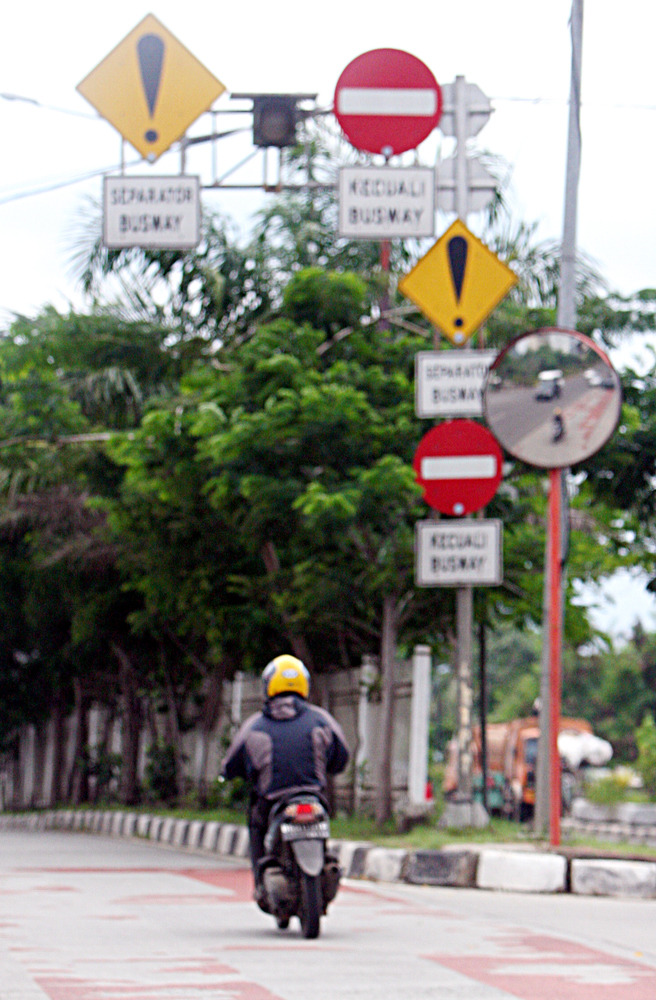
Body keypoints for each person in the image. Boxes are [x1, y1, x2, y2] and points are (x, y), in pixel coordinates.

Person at [220, 654, 350, 900]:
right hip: (313, 796)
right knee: (323, 820)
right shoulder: (322, 720)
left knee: (256, 823)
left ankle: (260, 881)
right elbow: (341, 755)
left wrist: (228, 773)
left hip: (273, 800)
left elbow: (232, 762)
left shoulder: (255, 726)